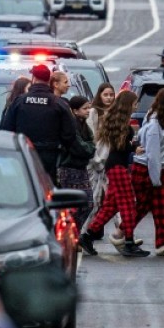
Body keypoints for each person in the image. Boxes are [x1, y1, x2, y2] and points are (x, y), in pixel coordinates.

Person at [78, 90, 148, 258]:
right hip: (118, 167)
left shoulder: (114, 120)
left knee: (111, 206)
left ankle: (87, 236)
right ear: (128, 105)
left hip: (114, 166)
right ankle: (129, 242)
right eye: (134, 103)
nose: (136, 106)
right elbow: (121, 146)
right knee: (129, 205)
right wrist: (134, 147)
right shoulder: (122, 124)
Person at [0, 63, 77, 185]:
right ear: (48, 80)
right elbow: (71, 134)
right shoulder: (59, 104)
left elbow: (5, 130)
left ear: (34, 79)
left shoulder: (19, 102)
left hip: (24, 155)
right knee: (48, 190)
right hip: (50, 158)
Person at [129, 87, 164, 256]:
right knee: (142, 206)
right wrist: (156, 178)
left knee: (162, 207)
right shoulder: (154, 124)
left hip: (156, 170)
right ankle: (122, 232)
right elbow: (152, 155)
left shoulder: (161, 121)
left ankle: (163, 243)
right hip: (148, 170)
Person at [57, 95, 96, 246]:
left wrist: (89, 148)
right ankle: (68, 237)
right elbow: (80, 147)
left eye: (89, 108)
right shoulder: (71, 126)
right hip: (69, 169)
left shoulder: (85, 125)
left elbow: (91, 144)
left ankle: (74, 233)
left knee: (88, 204)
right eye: (85, 108)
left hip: (81, 168)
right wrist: (89, 148)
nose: (88, 111)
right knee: (71, 206)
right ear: (74, 110)